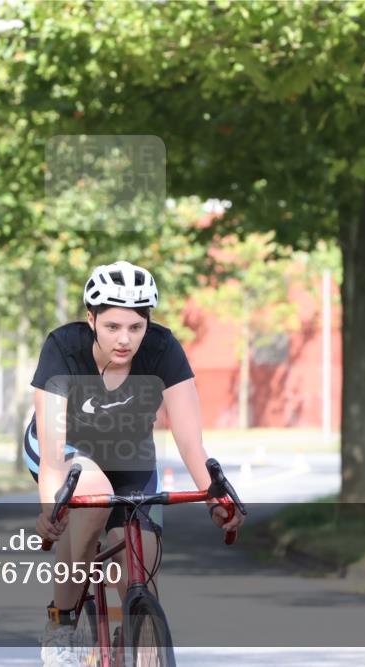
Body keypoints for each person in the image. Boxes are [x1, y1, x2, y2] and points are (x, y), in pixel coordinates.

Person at [25, 260, 244, 666]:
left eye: (135, 327)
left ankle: (140, 644)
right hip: (66, 448)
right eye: (112, 327)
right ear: (90, 319)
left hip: (129, 453)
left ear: (148, 325)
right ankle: (63, 622)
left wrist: (215, 497)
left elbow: (190, 440)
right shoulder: (62, 348)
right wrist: (49, 510)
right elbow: (55, 454)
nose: (124, 339)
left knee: (140, 563)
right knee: (93, 500)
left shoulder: (163, 350)